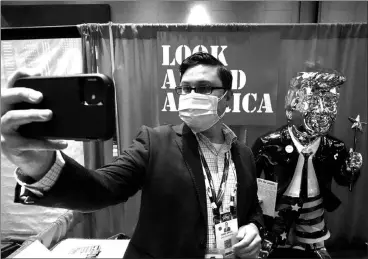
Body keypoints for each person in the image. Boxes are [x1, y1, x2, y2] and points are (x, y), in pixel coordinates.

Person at [1, 52, 264, 259]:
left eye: (204, 88)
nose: (192, 95)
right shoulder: (155, 141)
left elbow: (251, 208)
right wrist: (39, 164)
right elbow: (102, 188)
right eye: (185, 88)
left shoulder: (243, 154)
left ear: (227, 98)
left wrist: (253, 226)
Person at [251, 66, 362, 259]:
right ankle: (270, 240)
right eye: (313, 101)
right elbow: (249, 178)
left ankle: (315, 244)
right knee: (274, 233)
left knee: (314, 229)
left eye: (329, 101)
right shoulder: (269, 143)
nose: (322, 110)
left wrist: (350, 170)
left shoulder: (334, 146)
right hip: (279, 203)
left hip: (314, 203)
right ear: (294, 103)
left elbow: (343, 180)